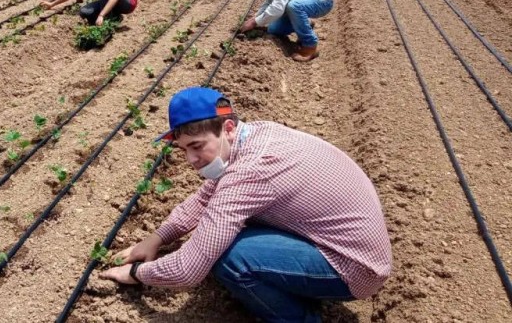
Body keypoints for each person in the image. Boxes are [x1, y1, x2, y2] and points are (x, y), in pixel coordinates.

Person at [100, 87, 392, 323]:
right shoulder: (256, 135)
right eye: (184, 149)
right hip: (345, 245)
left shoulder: (253, 171)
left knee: (228, 256)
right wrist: (158, 238)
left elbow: (189, 270)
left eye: (197, 146)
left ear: (227, 128)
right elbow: (206, 196)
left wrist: (137, 274)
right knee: (229, 229)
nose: (190, 160)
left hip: (355, 269)